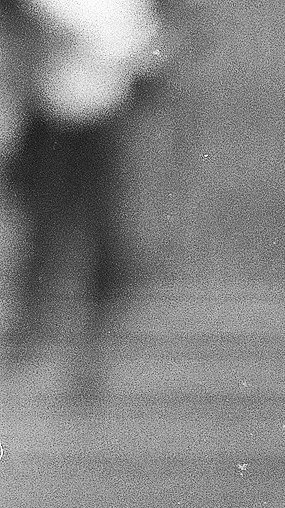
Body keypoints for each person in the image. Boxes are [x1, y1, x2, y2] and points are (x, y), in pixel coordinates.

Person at [3, 0, 165, 389]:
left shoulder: (125, 12)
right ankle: (33, 326)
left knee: (103, 240)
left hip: (100, 122)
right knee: (42, 229)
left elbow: (148, 59)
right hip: (51, 119)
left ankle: (91, 350)